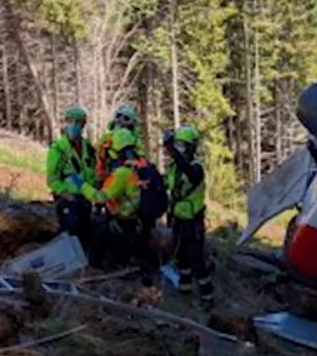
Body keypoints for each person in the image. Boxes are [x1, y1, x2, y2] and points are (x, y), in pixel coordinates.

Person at [78, 127, 163, 281]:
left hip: (124, 222)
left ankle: (95, 269)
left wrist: (81, 185)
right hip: (139, 222)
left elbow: (100, 197)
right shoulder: (142, 167)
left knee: (97, 233)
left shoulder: (121, 173)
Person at [164, 124, 213, 309]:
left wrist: (173, 151)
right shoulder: (174, 168)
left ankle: (207, 296)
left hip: (193, 222)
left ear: (191, 147)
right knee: (181, 257)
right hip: (178, 218)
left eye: (183, 146)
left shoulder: (196, 167)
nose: (179, 150)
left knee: (196, 259)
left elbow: (191, 176)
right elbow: (169, 186)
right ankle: (184, 290)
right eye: (178, 145)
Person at [46, 105, 96, 250]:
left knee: (85, 234)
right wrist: (64, 193)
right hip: (68, 198)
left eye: (79, 122)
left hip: (85, 198)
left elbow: (91, 171)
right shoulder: (58, 148)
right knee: (69, 231)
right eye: (71, 121)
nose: (75, 125)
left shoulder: (88, 147)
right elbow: (52, 178)